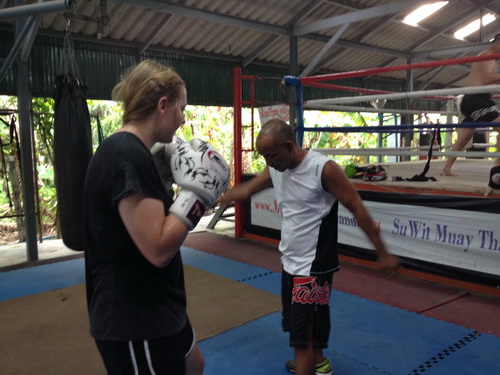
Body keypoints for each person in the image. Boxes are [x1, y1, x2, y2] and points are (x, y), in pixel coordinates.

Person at [220, 119, 400, 375]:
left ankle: (309, 364)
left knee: (300, 342)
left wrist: (383, 252)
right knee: (302, 330)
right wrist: (214, 198)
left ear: (290, 146)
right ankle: (320, 365)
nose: (268, 162)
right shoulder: (276, 169)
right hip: (291, 262)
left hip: (314, 268)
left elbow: (356, 206)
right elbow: (248, 189)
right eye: (264, 157)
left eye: (271, 156)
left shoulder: (322, 169)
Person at [83, 59, 227, 374]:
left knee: (194, 364)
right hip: (136, 317)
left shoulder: (138, 153)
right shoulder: (126, 155)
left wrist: (170, 184)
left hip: (159, 303)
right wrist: (198, 194)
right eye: (181, 108)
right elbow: (158, 248)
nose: (182, 118)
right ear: (163, 105)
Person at [441, 33, 500, 176]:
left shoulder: (487, 57)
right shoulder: (487, 56)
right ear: (498, 44)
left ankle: (446, 168)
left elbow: (488, 79)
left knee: (465, 137)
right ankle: (497, 170)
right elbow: (486, 79)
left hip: (472, 100)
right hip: (477, 100)